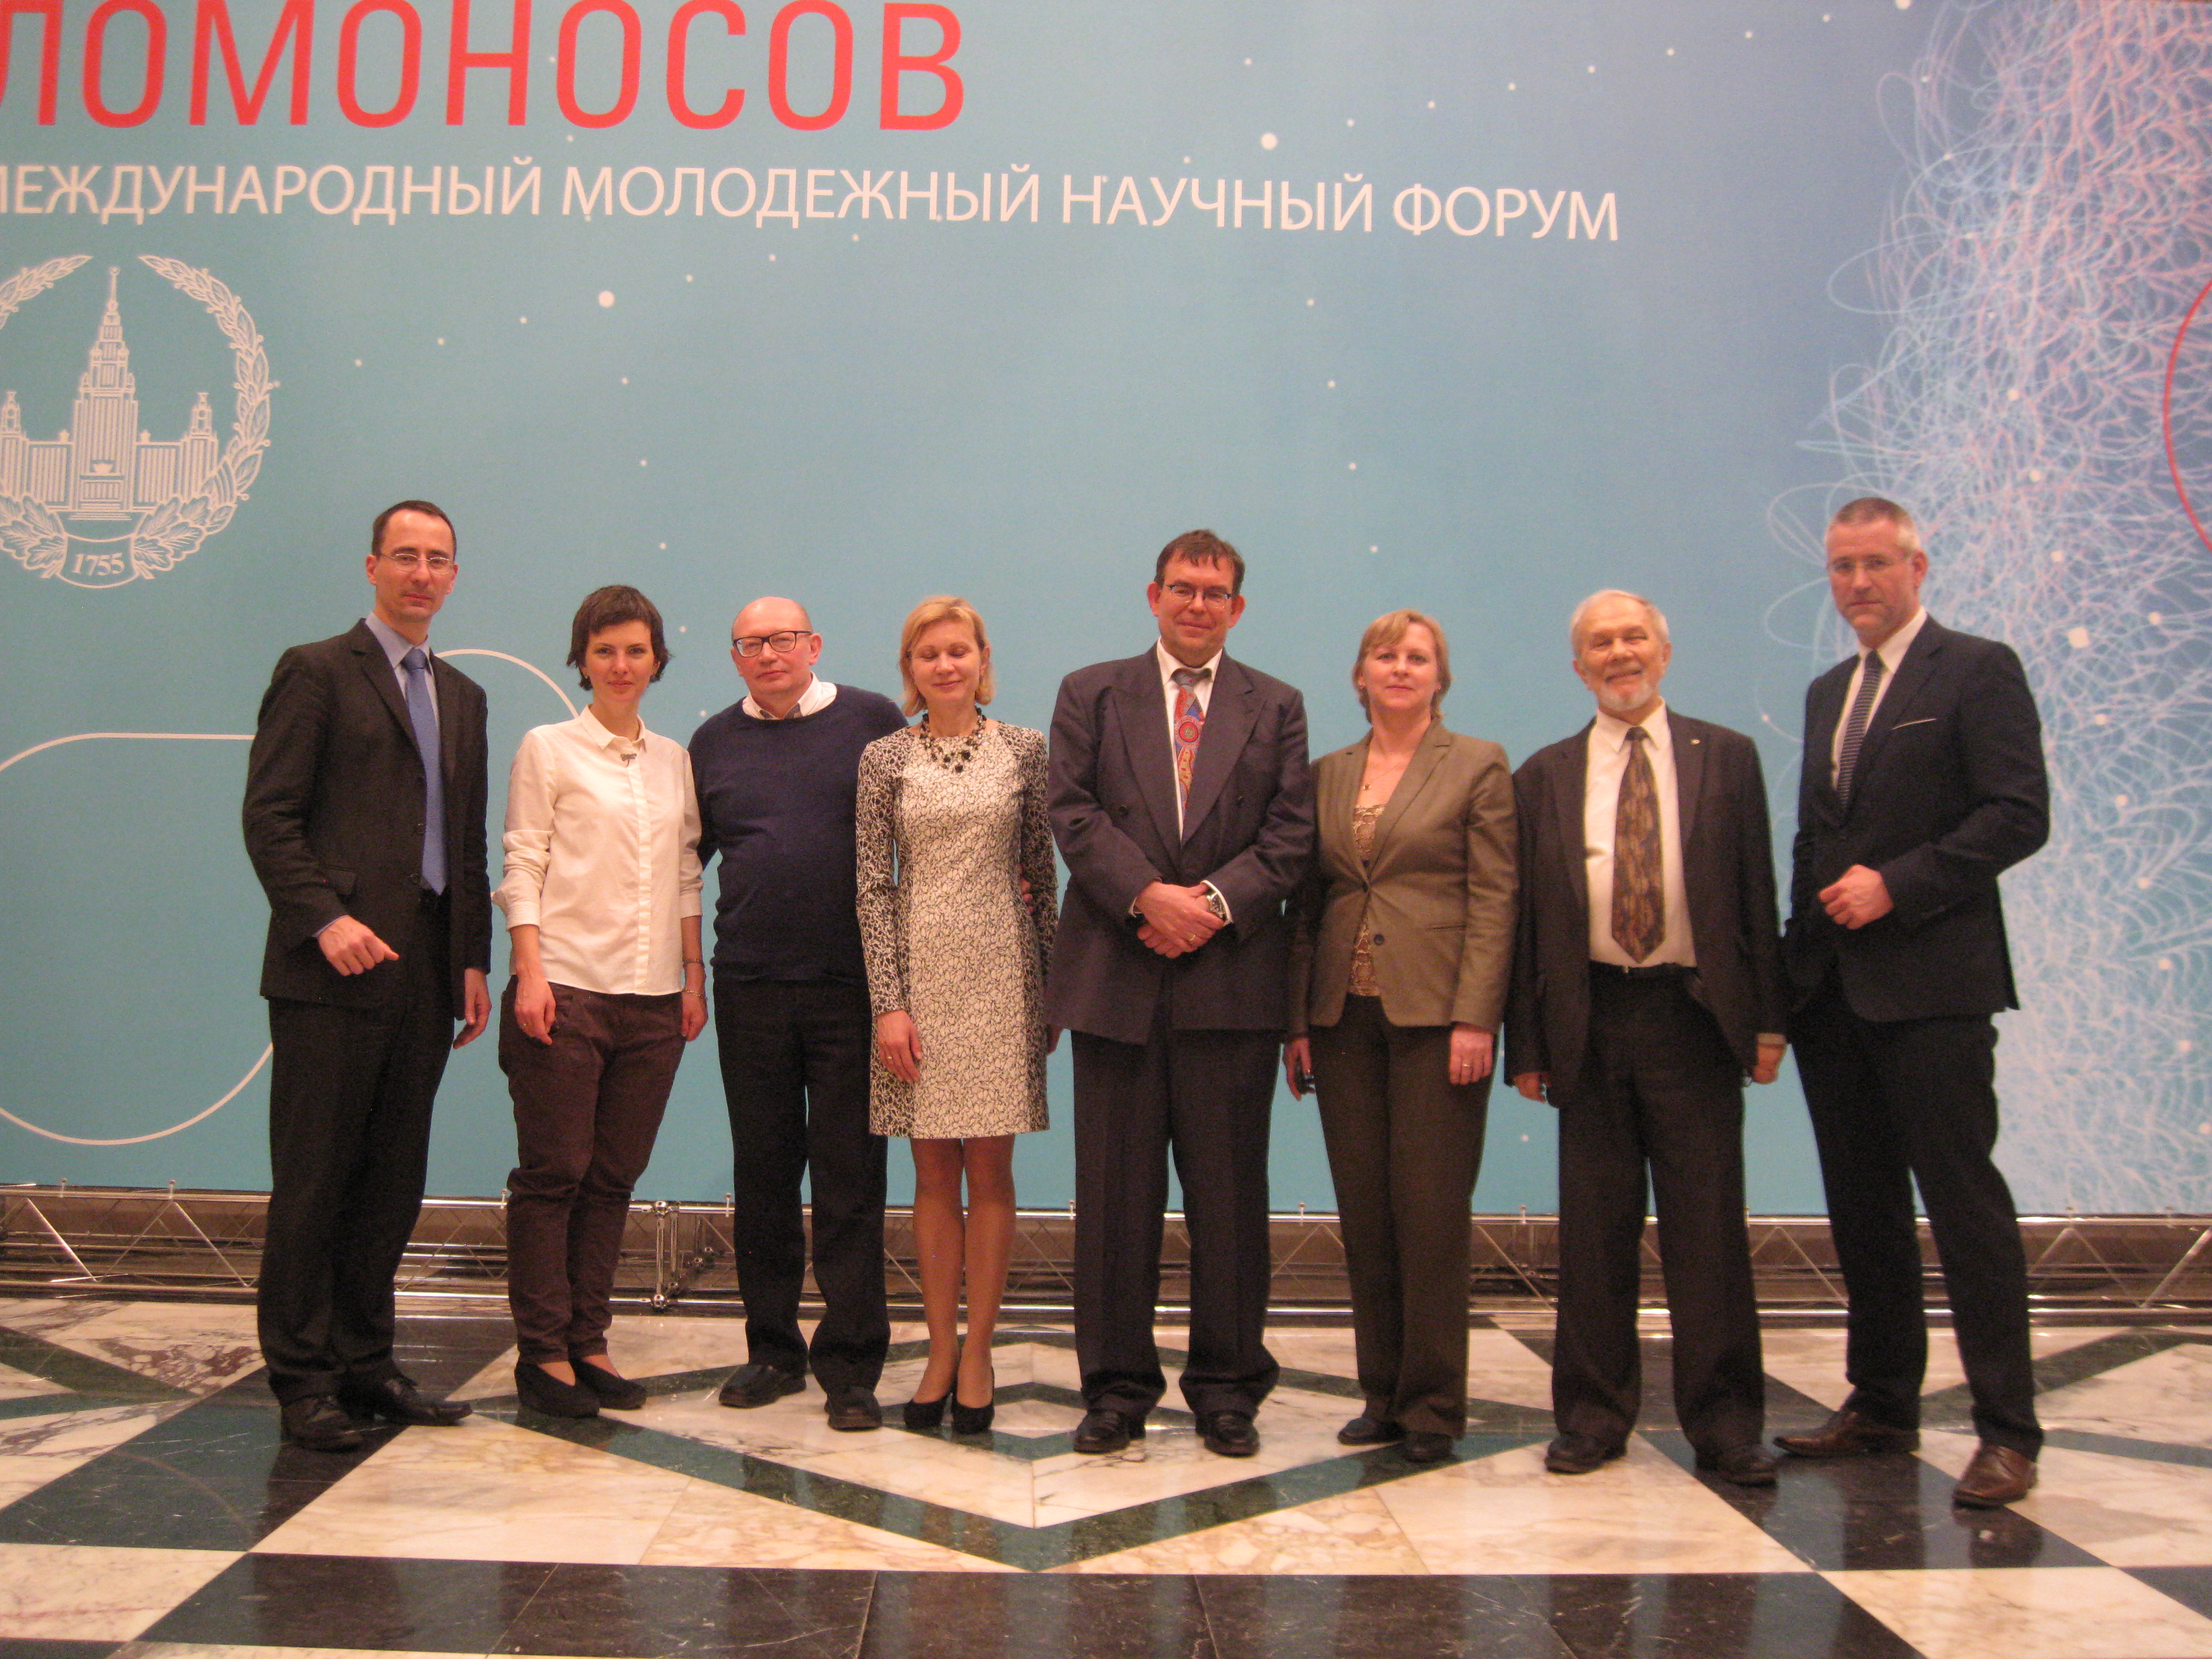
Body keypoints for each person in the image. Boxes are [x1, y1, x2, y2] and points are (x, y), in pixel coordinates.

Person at [1779, 497, 2050, 1509]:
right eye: (1842, 567)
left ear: (1917, 566)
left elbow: (2020, 814)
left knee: (1964, 1206)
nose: (1858, 583)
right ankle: (1883, 1402)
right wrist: (1789, 975)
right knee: (1865, 1212)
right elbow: (1815, 841)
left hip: (1934, 987)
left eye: (1875, 564)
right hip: (1834, 998)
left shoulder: (1977, 670)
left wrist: (1901, 882)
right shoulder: (1827, 692)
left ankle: (2007, 1430)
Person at [1505, 590, 1787, 1488]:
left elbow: (1755, 896)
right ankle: (1592, 1417)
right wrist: (1529, 1045)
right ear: (1579, 667)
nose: (1618, 654)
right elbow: (1525, 926)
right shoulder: (1543, 775)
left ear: (1663, 653)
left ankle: (1728, 1424)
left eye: (1633, 638)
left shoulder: (1728, 759)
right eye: (1599, 643)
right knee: (1593, 1232)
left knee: (1709, 1233)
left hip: (1694, 1020)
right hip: (1588, 1017)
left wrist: (1770, 1020)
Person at [1046, 529, 1315, 1458]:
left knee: (1229, 1200)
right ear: (1153, 595)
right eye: (1183, 588)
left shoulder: (1277, 706)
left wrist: (1204, 905)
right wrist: (1145, 898)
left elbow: (1289, 836)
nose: (1198, 604)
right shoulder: (1091, 692)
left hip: (1229, 985)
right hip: (1117, 982)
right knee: (1114, 1201)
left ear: (1237, 608)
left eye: (1217, 592)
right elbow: (1071, 814)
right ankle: (1116, 1389)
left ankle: (1228, 1387)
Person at [241, 499, 491, 1451]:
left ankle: (365, 1361)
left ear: (454, 576)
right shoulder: (315, 671)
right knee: (315, 1180)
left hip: (427, 970)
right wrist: (326, 920)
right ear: (372, 566)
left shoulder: (462, 695)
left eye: (439, 559)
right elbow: (270, 818)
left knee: (391, 1181)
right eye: (405, 557)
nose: (422, 573)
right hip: (332, 972)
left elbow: (462, 841)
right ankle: (302, 1378)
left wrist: (473, 957)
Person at [1282, 610, 1516, 1466]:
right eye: (1386, 655)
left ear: (1439, 677)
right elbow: (1305, 908)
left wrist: (1476, 1017)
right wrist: (1298, 1022)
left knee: (1429, 1214)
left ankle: (1432, 1405)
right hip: (1345, 1019)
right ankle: (1380, 1393)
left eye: (1418, 657)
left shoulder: (1478, 765)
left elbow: (1496, 899)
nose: (1401, 668)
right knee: (1367, 1213)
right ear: (1361, 674)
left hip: (1437, 1022)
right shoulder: (1328, 774)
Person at [691, 598, 906, 1431]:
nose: (770, 654)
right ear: (736, 656)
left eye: (784, 640)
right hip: (749, 985)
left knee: (852, 1178)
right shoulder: (713, 743)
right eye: (752, 643)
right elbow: (683, 861)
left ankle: (851, 1368)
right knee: (765, 1175)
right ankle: (771, 1351)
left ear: (814, 645)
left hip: (854, 990)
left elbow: (921, 830)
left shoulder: (872, 721)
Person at [494, 586, 707, 1420]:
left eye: (637, 650)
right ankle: (542, 1351)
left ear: (657, 660)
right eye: (605, 650)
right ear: (581, 658)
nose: (621, 665)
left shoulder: (674, 759)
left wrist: (696, 973)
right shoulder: (548, 748)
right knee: (555, 1176)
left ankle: (590, 1340)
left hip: (655, 1000)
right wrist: (531, 970)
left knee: (614, 1178)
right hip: (568, 988)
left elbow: (687, 871)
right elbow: (523, 861)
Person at [856, 597, 1058, 1435]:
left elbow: (1042, 877)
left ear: (982, 658)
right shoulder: (882, 758)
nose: (944, 665)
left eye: (958, 651)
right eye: (927, 654)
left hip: (1002, 979)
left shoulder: (1026, 751)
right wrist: (889, 1004)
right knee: (931, 1176)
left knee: (992, 1174)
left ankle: (980, 1351)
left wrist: (1048, 995)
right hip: (917, 984)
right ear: (910, 668)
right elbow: (871, 884)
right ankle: (937, 1349)